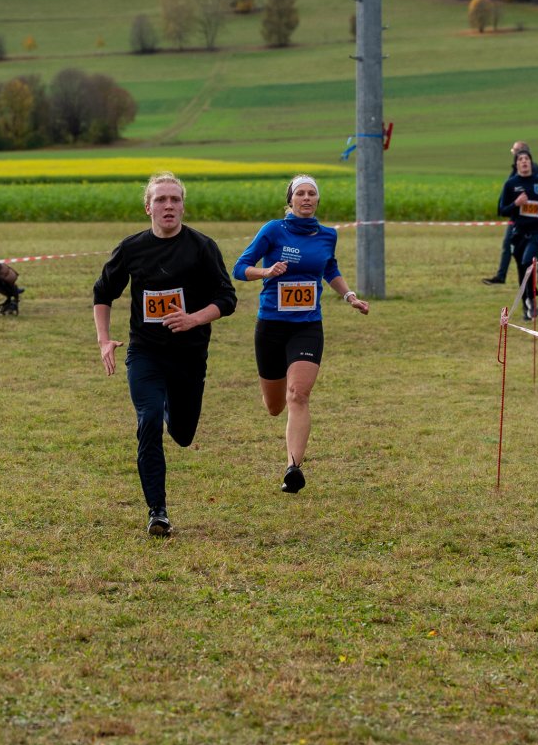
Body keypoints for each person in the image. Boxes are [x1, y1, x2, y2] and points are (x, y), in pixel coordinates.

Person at [92, 172, 236, 536]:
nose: (168, 205)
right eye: (160, 199)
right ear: (148, 207)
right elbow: (103, 293)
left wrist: (193, 319)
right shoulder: (131, 248)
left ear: (183, 206)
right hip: (146, 353)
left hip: (189, 355)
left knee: (183, 434)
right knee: (149, 420)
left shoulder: (202, 247)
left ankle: (173, 407)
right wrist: (104, 340)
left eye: (174, 199)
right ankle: (158, 511)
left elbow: (227, 298)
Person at [232, 174, 368, 494]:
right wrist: (266, 271)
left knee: (298, 394)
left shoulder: (328, 235)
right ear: (290, 200)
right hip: (271, 324)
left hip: (307, 326)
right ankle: (277, 405)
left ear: (317, 200)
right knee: (275, 405)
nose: (306, 198)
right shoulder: (273, 230)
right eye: (300, 193)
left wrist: (349, 296)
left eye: (311, 193)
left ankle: (293, 468)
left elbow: (330, 269)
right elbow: (240, 268)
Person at [497, 149, 538, 321]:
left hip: (537, 231)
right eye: (520, 159)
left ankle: (532, 297)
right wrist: (516, 203)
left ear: (531, 162)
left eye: (527, 159)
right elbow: (502, 210)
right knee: (522, 271)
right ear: (517, 164)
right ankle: (527, 307)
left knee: (527, 260)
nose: (524, 161)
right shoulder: (510, 184)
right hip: (518, 232)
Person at [482, 141, 538, 285]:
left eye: (514, 151)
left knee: (519, 243)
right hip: (517, 213)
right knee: (519, 244)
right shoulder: (516, 170)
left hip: (527, 216)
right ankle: (502, 276)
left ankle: (505, 276)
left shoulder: (535, 171)